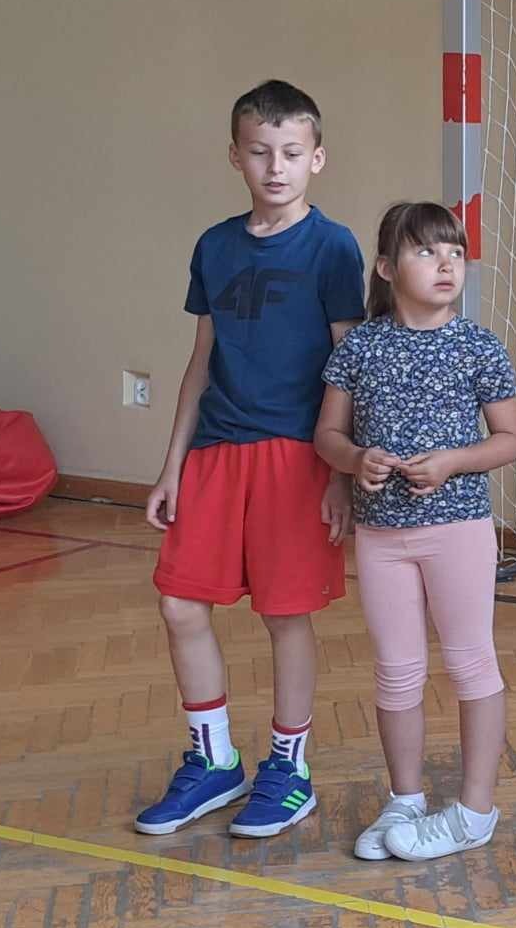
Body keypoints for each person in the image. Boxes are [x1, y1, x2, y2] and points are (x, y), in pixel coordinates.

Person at [137, 80, 365, 837]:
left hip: (296, 456)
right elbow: (200, 360)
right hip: (215, 452)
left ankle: (289, 768)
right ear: (235, 156)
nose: (276, 167)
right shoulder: (214, 246)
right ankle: (214, 761)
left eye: (291, 153)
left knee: (285, 614)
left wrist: (339, 473)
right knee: (179, 603)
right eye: (261, 152)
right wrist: (172, 466)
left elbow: (347, 365)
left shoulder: (333, 246)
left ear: (316, 159)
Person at [315, 202, 516, 862]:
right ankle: (404, 800)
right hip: (381, 539)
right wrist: (356, 460)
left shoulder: (478, 345)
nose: (445, 264)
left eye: (455, 253)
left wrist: (452, 462)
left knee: (470, 663)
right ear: (386, 268)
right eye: (426, 251)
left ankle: (474, 811)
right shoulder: (360, 347)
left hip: (457, 530)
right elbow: (327, 435)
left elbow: (511, 439)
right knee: (396, 672)